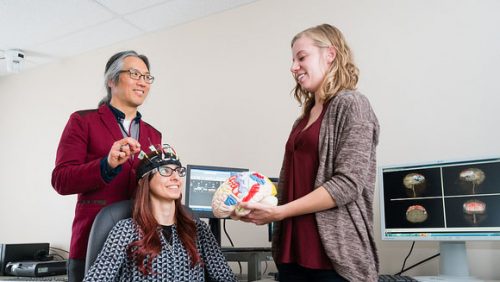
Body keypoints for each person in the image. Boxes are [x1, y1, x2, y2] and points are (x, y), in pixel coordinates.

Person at [239, 24, 380, 281]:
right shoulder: (302, 120)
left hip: (333, 259)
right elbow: (297, 179)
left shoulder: (353, 105)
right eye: (293, 60)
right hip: (291, 254)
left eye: (301, 57)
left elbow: (347, 184)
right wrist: (261, 200)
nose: (293, 67)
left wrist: (279, 212)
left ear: (330, 54)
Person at [51, 50, 162, 282]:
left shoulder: (154, 135)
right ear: (111, 80)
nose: (143, 81)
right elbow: (61, 180)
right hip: (93, 241)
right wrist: (107, 164)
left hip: (141, 248)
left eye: (147, 76)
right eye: (134, 73)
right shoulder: (82, 121)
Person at [83, 144, 237, 281]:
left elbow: (226, 278)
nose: (176, 177)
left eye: (178, 171)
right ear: (145, 181)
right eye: (165, 171)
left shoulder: (199, 230)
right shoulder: (126, 230)